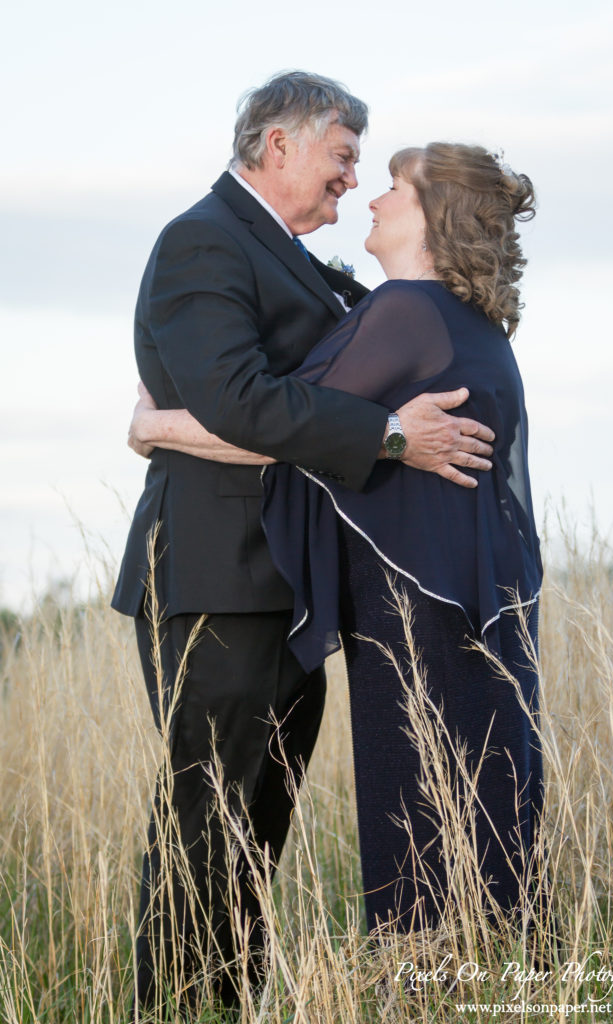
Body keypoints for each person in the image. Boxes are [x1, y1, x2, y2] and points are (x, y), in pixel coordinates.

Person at [113, 72, 495, 1016]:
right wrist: (391, 438)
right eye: (342, 153)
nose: (350, 178)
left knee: (259, 825)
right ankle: (175, 1006)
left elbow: (345, 371)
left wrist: (156, 425)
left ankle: (225, 1002)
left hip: (285, 585)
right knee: (210, 818)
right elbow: (238, 400)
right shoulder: (202, 241)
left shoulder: (294, 259)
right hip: (218, 577)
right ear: (277, 144)